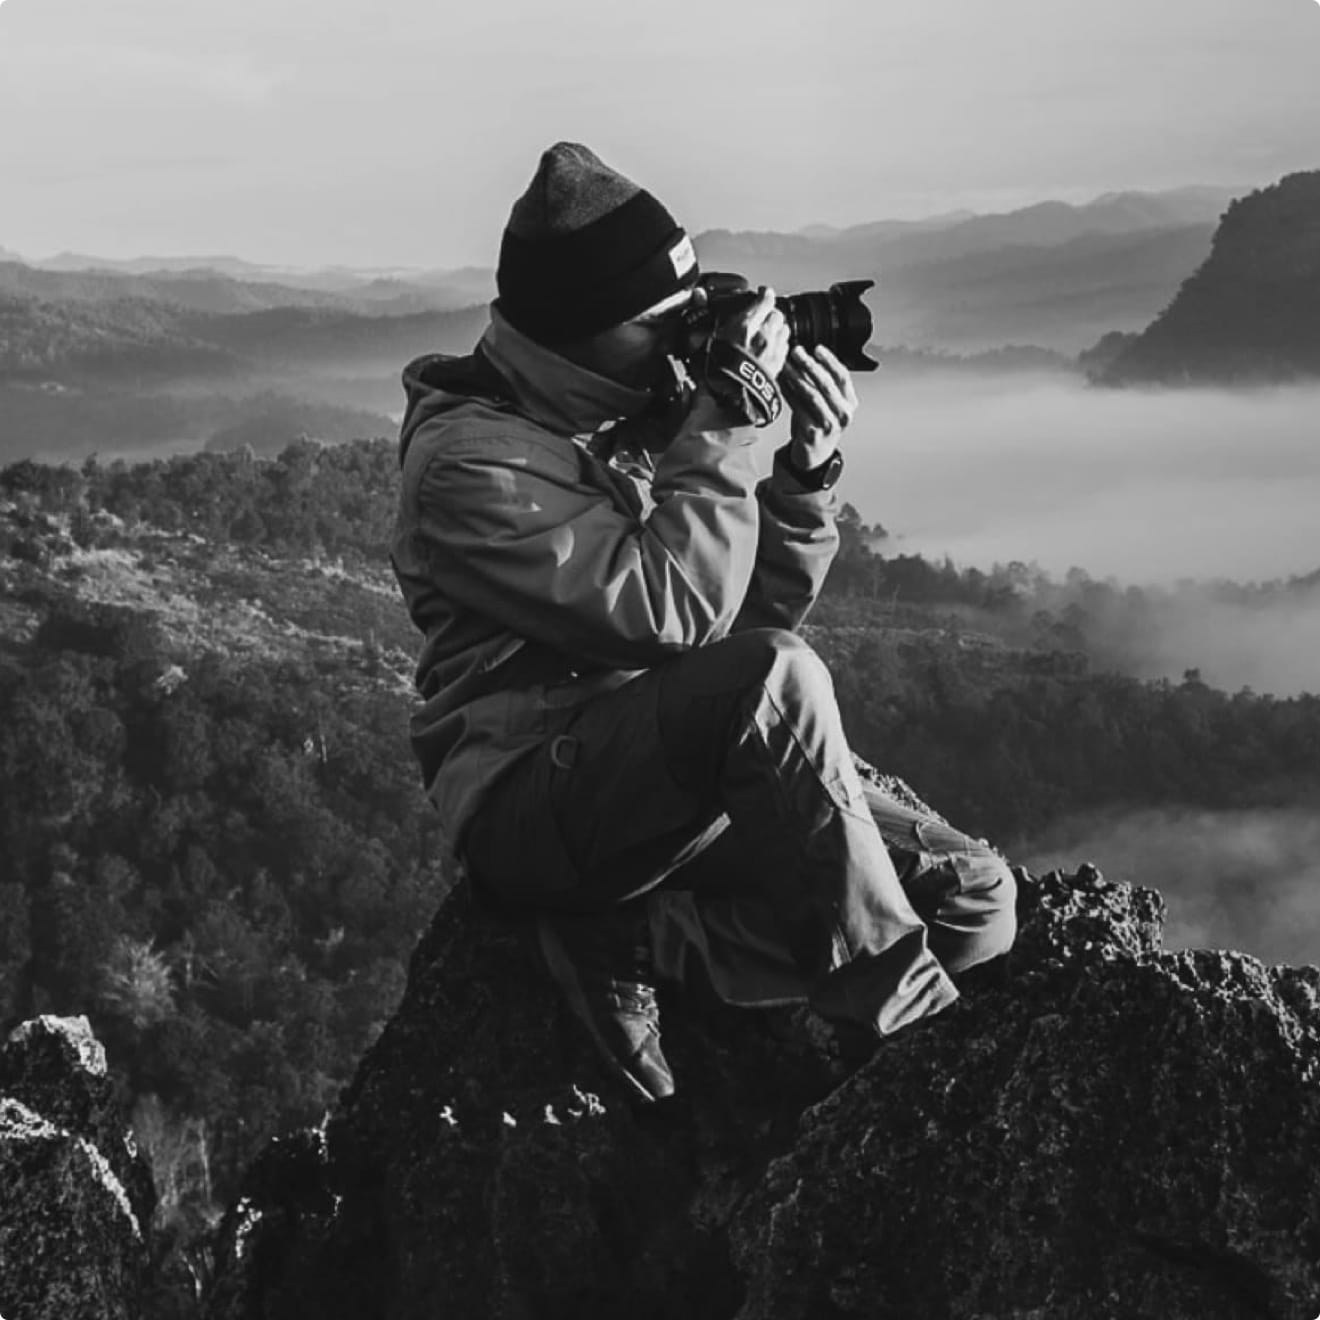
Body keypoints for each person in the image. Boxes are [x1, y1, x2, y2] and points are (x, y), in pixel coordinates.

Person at [391, 142, 1016, 1103]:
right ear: (577, 331)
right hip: (539, 806)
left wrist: (804, 482)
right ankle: (908, 1047)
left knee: (975, 901)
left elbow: (736, 631)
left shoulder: (628, 417)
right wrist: (724, 417)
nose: (687, 343)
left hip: (668, 779)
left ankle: (635, 938)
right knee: (782, 678)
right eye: (664, 324)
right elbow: (677, 619)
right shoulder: (469, 468)